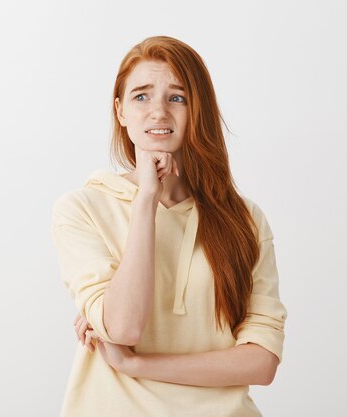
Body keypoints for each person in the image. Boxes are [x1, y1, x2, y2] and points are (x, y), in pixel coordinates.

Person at [49, 35, 287, 417]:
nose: (158, 111)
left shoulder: (245, 219)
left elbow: (262, 362)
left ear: (198, 112)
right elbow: (125, 327)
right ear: (120, 111)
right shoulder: (81, 209)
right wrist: (146, 199)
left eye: (177, 98)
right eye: (141, 96)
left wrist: (136, 365)